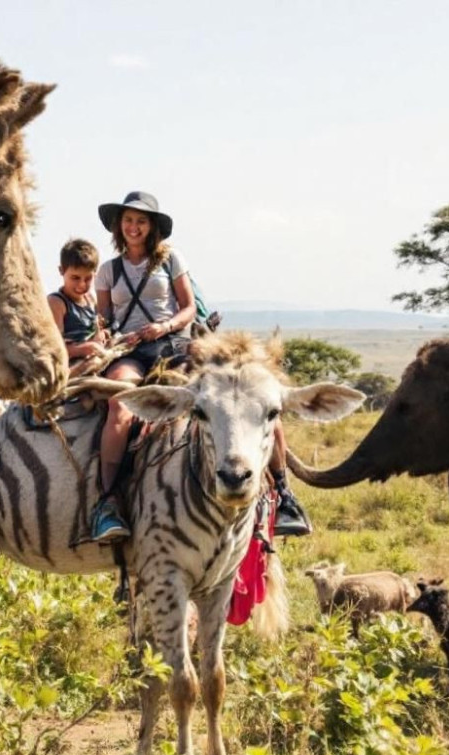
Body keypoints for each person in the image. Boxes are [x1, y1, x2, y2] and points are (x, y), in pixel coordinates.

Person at [84, 191, 312, 544]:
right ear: (119, 225)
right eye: (128, 220)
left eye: (141, 221)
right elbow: (104, 317)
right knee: (120, 405)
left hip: (174, 346)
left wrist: (164, 326)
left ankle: (283, 495)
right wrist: (108, 335)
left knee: (249, 399)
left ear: (152, 227)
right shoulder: (107, 271)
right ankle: (107, 502)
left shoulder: (171, 260)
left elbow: (189, 308)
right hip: (129, 352)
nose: (134, 227)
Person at [47, 238, 111, 370]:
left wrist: (103, 334)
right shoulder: (57, 303)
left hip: (93, 355)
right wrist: (83, 349)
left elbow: (96, 328)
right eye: (75, 278)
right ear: (61, 271)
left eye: (88, 278)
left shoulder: (91, 299)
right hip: (69, 365)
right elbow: (53, 348)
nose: (82, 285)